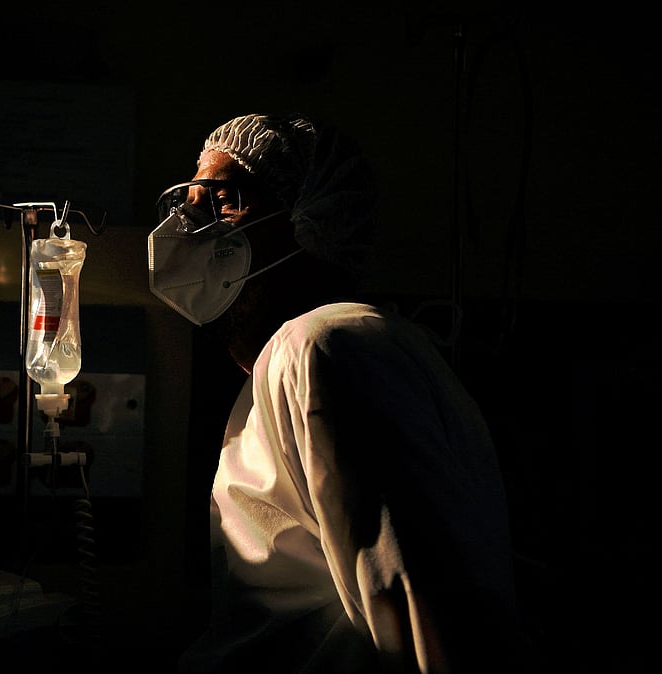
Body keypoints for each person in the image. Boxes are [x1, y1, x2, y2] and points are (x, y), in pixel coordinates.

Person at [147, 113, 538, 673]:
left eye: (223, 199)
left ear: (311, 220)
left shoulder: (330, 345)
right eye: (187, 202)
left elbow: (423, 612)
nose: (189, 223)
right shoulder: (284, 366)